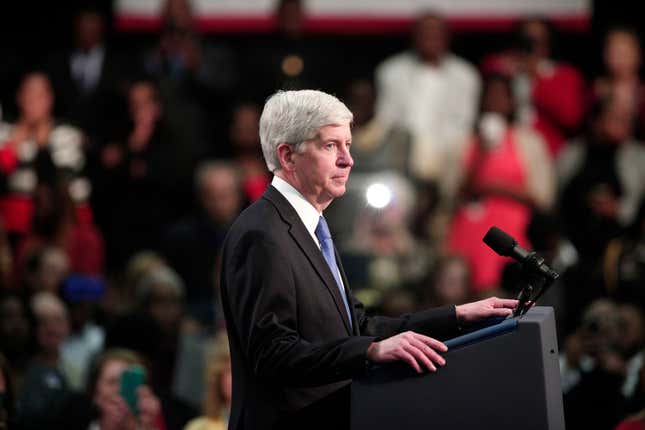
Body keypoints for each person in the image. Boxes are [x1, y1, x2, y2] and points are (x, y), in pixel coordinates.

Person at [220, 90, 517, 430]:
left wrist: (456, 316)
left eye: (348, 145)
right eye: (331, 146)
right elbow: (272, 354)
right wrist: (369, 352)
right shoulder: (262, 234)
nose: (348, 160)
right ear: (287, 156)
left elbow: (359, 329)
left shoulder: (311, 227)